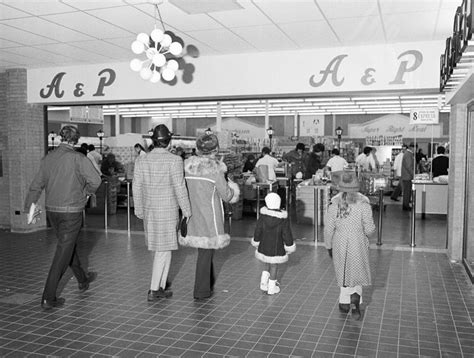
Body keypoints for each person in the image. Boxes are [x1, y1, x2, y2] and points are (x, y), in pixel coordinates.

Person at [23, 126, 102, 311]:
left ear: (60, 138)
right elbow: (96, 181)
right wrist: (86, 193)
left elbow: (36, 186)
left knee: (67, 245)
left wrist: (29, 208)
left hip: (53, 211)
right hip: (71, 211)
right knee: (62, 253)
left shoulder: (48, 158)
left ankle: (82, 279)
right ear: (75, 140)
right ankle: (48, 297)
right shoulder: (78, 158)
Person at [133, 124, 192, 301]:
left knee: (165, 250)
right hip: (168, 211)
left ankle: (161, 285)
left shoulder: (142, 160)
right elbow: (179, 187)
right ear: (169, 141)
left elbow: (136, 187)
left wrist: (139, 209)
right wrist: (187, 211)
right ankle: (153, 289)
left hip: (150, 210)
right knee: (162, 250)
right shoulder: (174, 160)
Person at [179, 134, 239, 300]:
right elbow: (227, 195)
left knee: (204, 251)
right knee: (206, 253)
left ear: (198, 149)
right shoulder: (215, 170)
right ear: (215, 150)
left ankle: (208, 283)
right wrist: (233, 187)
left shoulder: (187, 167)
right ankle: (201, 290)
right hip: (209, 216)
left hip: (191, 214)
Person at [324, 171, 375, 320]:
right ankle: (355, 299)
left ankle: (344, 302)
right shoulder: (364, 205)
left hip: (339, 242)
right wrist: (366, 233)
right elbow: (370, 229)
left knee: (343, 270)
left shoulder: (334, 205)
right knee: (357, 271)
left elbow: (328, 229)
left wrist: (328, 246)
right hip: (358, 242)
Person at [251, 192, 295, 295]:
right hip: (276, 247)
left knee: (266, 262)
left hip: (264, 245)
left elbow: (258, 230)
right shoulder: (282, 219)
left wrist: (256, 241)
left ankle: (263, 283)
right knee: (274, 265)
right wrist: (289, 246)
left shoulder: (262, 217)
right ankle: (272, 287)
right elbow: (286, 234)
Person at [401, 143, 415, 211]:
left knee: (407, 191)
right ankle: (406, 206)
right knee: (407, 192)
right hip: (407, 176)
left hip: (407, 176)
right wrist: (413, 175)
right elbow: (408, 166)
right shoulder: (408, 154)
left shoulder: (407, 154)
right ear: (413, 148)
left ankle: (406, 205)